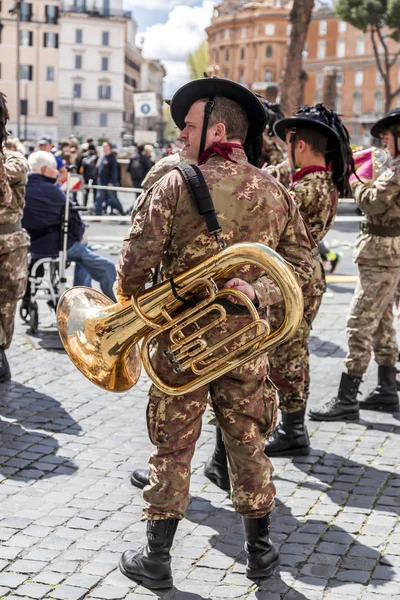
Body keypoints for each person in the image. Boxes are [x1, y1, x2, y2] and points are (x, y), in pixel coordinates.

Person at [115, 77, 313, 590]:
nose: (182, 134)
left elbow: (133, 271)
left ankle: (156, 558)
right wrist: (258, 289)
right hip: (244, 345)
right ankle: (261, 554)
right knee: (249, 441)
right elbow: (304, 270)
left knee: (172, 447)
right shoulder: (276, 190)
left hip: (181, 348)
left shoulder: (175, 182)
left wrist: (136, 299)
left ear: (217, 129)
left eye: (190, 125)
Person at [260, 104, 355, 455]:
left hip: (294, 278)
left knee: (288, 353)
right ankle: (290, 426)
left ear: (300, 146)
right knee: (289, 349)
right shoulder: (316, 180)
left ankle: (292, 430)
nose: (287, 152)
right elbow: (281, 174)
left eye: (289, 144)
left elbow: (269, 209)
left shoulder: (307, 188)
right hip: (302, 274)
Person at [310, 108, 400, 421]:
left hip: (383, 256)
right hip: (385, 255)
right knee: (383, 321)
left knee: (359, 324)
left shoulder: (398, 169)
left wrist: (355, 178)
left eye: (388, 135)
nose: (384, 141)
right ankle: (387, 389)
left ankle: (347, 398)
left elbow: (372, 201)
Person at [22, 151, 117, 301]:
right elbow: (75, 221)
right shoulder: (53, 191)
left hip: (32, 247)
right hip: (58, 246)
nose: (58, 172)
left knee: (83, 253)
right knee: (106, 266)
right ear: (44, 170)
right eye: (56, 169)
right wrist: (80, 238)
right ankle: (86, 299)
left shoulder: (22, 190)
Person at [0, 93, 30, 382]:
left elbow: (6, 187)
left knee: (6, 304)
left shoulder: (15, 161)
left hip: (9, 246)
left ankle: (1, 351)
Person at [94, 141, 125, 216]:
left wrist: (112, 182)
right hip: (101, 182)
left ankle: (122, 213)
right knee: (99, 198)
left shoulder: (112, 158)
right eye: (103, 146)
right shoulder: (103, 157)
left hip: (109, 183)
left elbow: (114, 171)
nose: (104, 148)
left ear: (110, 147)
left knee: (114, 199)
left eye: (105, 146)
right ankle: (97, 215)